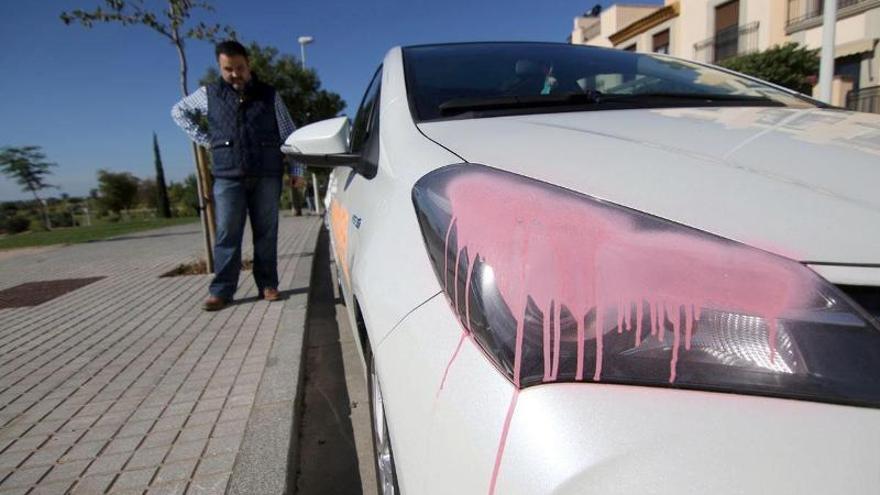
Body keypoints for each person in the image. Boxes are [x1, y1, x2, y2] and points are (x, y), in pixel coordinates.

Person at [171, 40, 304, 311]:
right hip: (228, 175)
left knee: (266, 233)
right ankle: (221, 291)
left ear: (249, 65)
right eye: (228, 69)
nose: (235, 74)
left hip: (267, 173)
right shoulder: (210, 93)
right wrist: (209, 140)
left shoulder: (269, 94)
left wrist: (297, 169)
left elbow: (289, 132)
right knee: (227, 234)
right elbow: (179, 112)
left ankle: (268, 284)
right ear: (220, 67)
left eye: (240, 68)